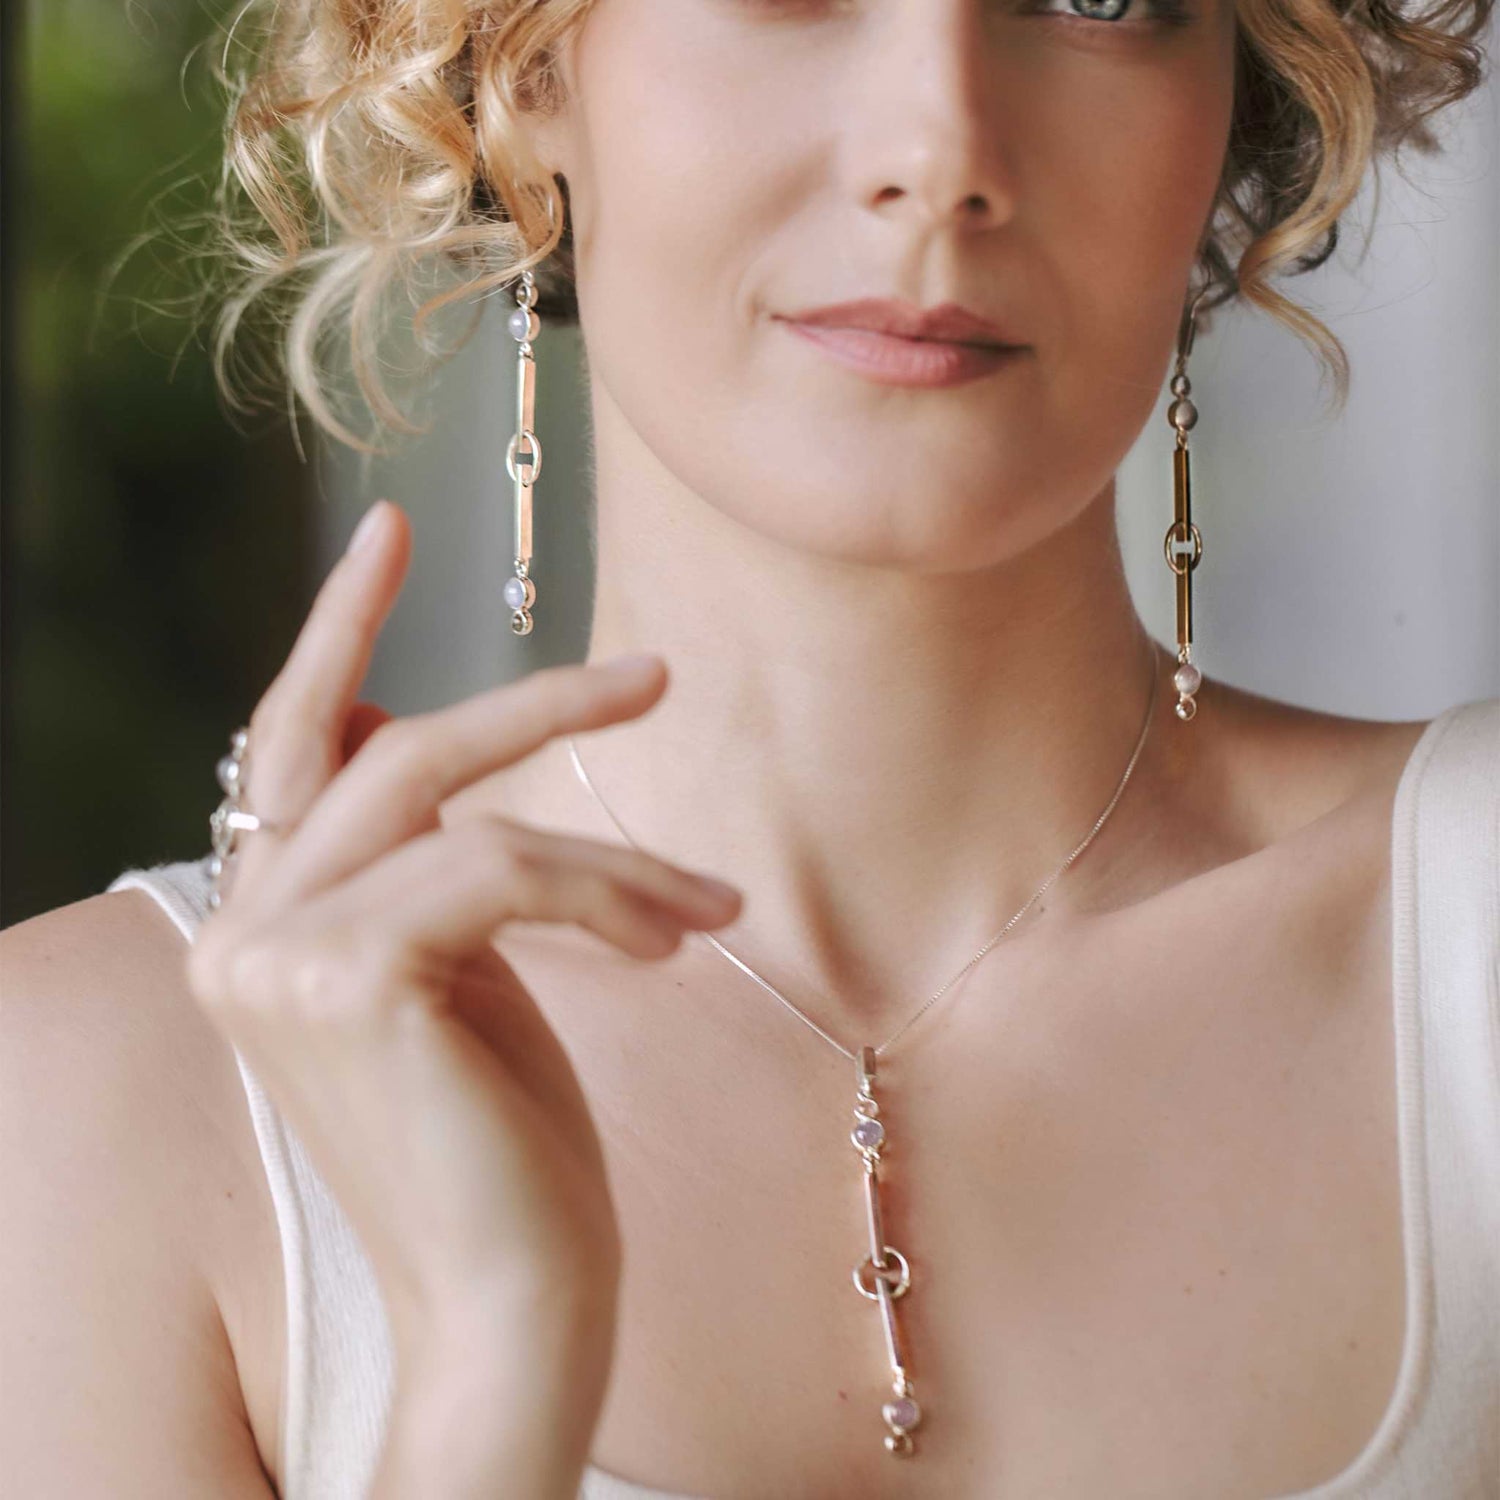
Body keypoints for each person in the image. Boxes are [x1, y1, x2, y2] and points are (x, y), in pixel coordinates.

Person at [3, 0, 1497, 1496]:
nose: (942, 150)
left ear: (1228, 102)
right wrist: (492, 1354)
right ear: (519, 76)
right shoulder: (89, 1112)